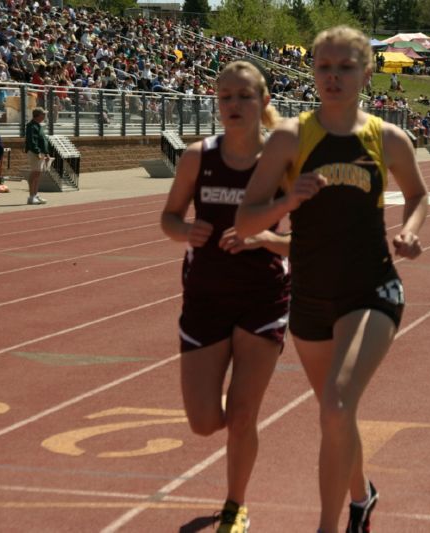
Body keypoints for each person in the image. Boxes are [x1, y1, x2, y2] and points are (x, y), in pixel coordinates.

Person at [235, 26, 429, 533]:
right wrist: (288, 201)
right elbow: (246, 221)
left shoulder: (387, 138)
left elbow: (418, 195)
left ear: (367, 73)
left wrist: (408, 231)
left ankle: (330, 526)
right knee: (336, 413)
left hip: (373, 290)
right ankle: (363, 496)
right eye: (324, 67)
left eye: (345, 67)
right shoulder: (290, 138)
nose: (334, 77)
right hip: (311, 296)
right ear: (313, 71)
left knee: (338, 405)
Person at [160, 60, 291, 533]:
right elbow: (169, 217)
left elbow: (314, 239)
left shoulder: (282, 162)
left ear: (264, 103)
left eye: (244, 96)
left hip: (263, 298)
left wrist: (264, 240)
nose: (234, 105)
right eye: (225, 97)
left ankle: (236, 505)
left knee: (242, 414)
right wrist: (186, 230)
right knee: (202, 421)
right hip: (205, 299)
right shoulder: (198, 156)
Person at [24, 107, 51, 205]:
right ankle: (31, 196)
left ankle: (35, 195)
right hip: (35, 153)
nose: (44, 116)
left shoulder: (38, 125)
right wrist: (38, 152)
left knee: (38, 174)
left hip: (40, 153)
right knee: (35, 173)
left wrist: (46, 153)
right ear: (38, 115)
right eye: (43, 114)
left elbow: (43, 141)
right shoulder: (31, 126)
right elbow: (32, 141)